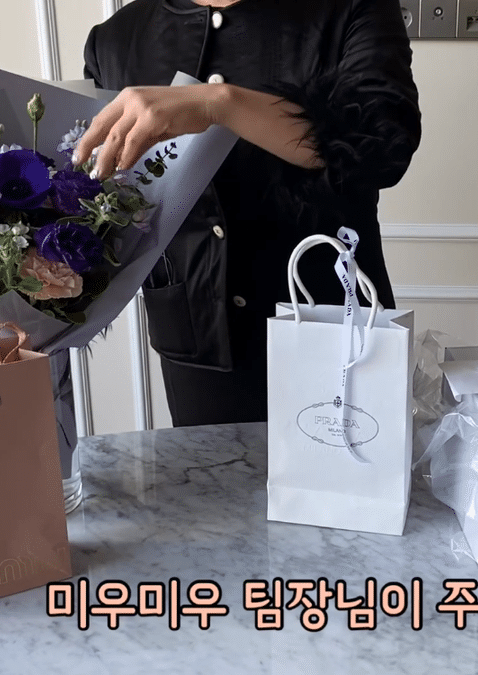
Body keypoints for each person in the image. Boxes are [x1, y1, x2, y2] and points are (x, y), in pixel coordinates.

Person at [77, 0, 421, 426]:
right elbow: (97, 198)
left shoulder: (351, 8)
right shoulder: (116, 38)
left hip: (336, 324)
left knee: (350, 465)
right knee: (208, 470)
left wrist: (222, 103)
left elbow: (381, 151)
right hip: (197, 341)